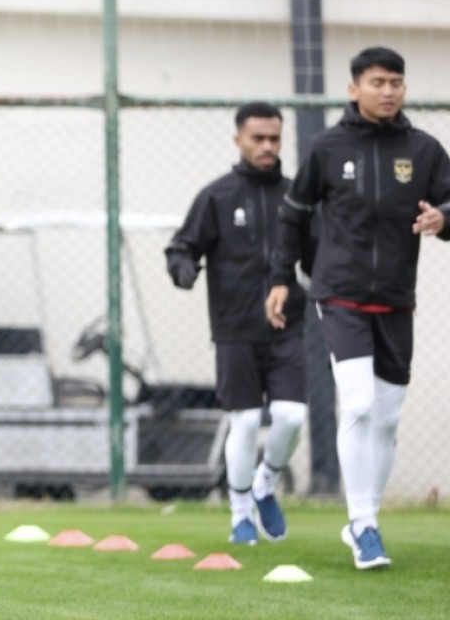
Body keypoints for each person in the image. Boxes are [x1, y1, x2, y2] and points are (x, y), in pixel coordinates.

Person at [266, 46, 450, 570]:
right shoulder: (327, 148)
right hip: (339, 293)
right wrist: (282, 277)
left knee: (387, 419)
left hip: (396, 299)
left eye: (396, 81)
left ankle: (363, 520)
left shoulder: (425, 150)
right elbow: (292, 216)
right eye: (377, 82)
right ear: (354, 89)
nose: (388, 90)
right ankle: (364, 523)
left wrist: (443, 218)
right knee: (361, 404)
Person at [166, 102, 311, 546]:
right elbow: (181, 247)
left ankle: (266, 481)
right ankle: (239, 514)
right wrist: (184, 268)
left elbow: (324, 253)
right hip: (234, 328)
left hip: (288, 326)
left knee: (291, 416)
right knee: (245, 422)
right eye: (258, 138)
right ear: (239, 140)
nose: (267, 146)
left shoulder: (296, 197)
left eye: (274, 138)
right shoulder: (217, 196)